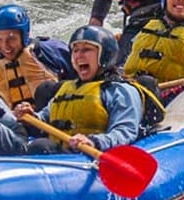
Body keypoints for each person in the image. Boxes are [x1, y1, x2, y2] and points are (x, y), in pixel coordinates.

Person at [13, 25, 145, 154]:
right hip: (63, 154)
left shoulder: (120, 91)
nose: (79, 56)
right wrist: (31, 116)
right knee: (36, 145)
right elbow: (44, 116)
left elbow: (125, 131)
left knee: (41, 146)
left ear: (105, 55)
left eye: (86, 50)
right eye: (75, 50)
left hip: (89, 155)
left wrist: (94, 141)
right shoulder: (67, 88)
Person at [0, 4, 74, 110]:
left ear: (24, 34)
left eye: (11, 39)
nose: (5, 46)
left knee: (46, 89)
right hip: (13, 123)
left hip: (54, 115)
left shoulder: (51, 51)